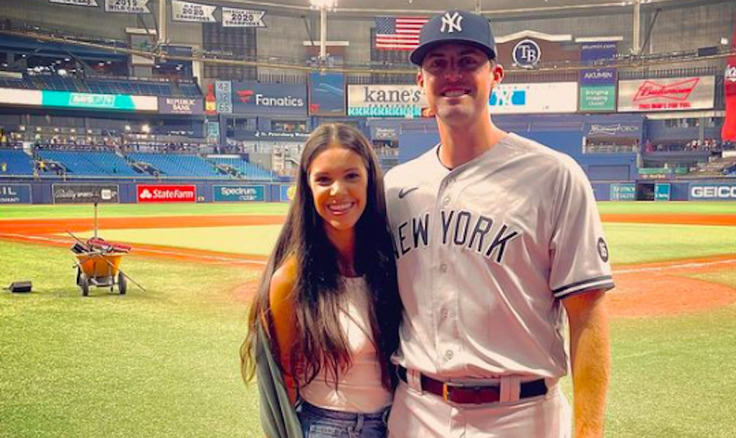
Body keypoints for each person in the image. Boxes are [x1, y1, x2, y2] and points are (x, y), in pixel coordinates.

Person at [383, 10, 614, 438]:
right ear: (421, 84)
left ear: (496, 75)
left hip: (522, 418)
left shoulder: (553, 175)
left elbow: (587, 315)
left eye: (468, 61)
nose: (452, 74)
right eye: (437, 64)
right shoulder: (394, 186)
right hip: (415, 413)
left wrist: (588, 432)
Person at [240, 123, 402, 438]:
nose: (338, 191)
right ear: (308, 187)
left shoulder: (391, 262)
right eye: (323, 179)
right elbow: (286, 377)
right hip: (329, 428)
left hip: (399, 422)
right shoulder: (291, 279)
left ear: (369, 180)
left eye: (351, 176)